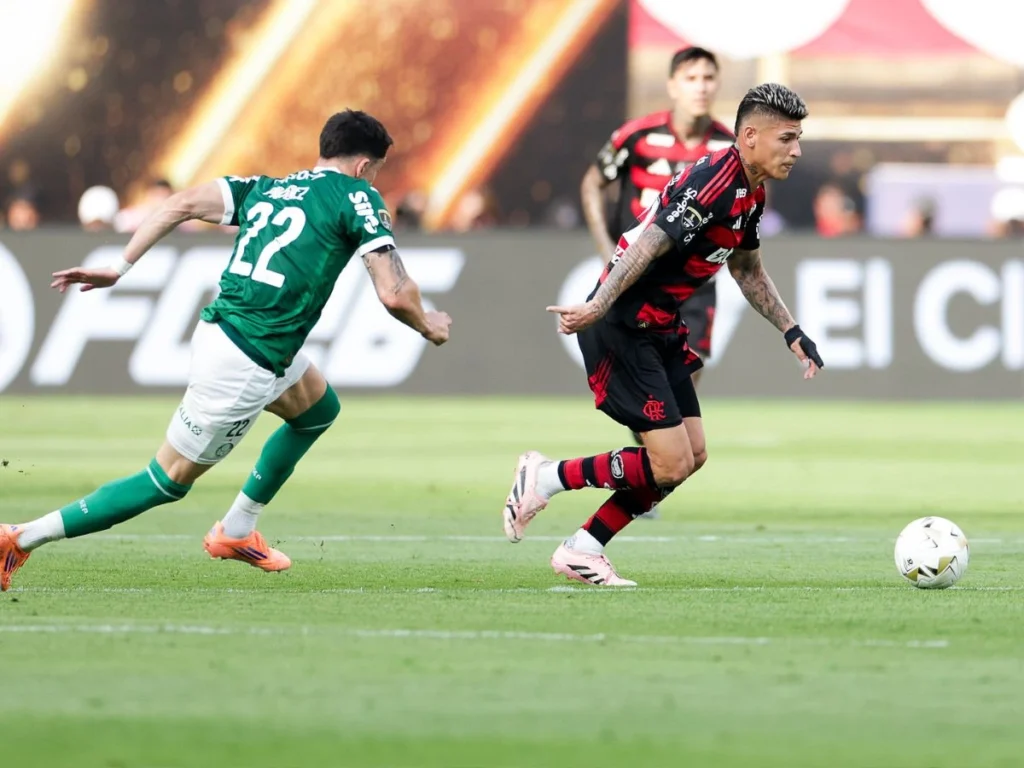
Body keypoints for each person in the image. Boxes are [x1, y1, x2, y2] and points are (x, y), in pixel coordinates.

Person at [0, 110, 452, 591]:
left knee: (319, 409)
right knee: (166, 480)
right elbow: (394, 292)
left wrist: (119, 266)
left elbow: (181, 203)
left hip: (231, 333)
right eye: (376, 170)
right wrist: (429, 324)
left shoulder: (264, 187)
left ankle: (236, 531)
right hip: (247, 358)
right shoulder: (358, 195)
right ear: (364, 166)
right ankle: (20, 537)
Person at [504, 83, 824, 587]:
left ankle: (582, 549)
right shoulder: (714, 181)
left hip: (660, 325)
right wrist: (598, 304)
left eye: (798, 138)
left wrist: (792, 330)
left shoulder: (752, 191)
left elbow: (747, 270)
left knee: (692, 456)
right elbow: (649, 242)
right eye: (787, 138)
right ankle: (546, 477)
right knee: (669, 462)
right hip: (624, 325)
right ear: (750, 136)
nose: (796, 150)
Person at [580, 46, 733, 517]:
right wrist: (609, 251)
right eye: (692, 77)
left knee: (691, 367)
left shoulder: (727, 146)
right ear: (673, 86)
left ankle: (658, 453)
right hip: (636, 282)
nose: (701, 85)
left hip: (693, 284)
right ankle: (654, 456)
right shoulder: (638, 137)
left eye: (709, 77)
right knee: (652, 374)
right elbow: (593, 183)